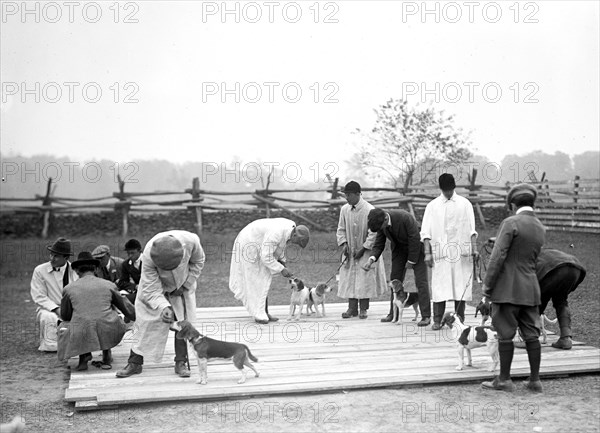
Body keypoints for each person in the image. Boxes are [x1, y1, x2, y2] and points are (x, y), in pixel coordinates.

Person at [481, 183, 546, 392]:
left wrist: (487, 287)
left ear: (512, 203)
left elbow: (497, 256)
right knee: (531, 334)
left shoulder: (510, 222)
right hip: (531, 289)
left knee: (505, 334)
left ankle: (504, 379)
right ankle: (535, 380)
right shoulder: (540, 226)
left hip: (507, 289)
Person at [116, 230, 205, 378]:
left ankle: (180, 361)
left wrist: (185, 285)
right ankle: (135, 362)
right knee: (143, 323)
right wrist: (164, 306)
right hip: (155, 288)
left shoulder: (192, 242)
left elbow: (199, 262)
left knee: (182, 324)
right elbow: (151, 289)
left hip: (182, 286)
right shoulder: (149, 256)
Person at [57, 251, 136, 371]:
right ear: (95, 269)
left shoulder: (68, 289)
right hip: (108, 329)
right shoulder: (108, 285)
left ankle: (83, 356)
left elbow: (65, 315)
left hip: (82, 331)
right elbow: (126, 307)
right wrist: (136, 317)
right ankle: (106, 354)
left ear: (77, 271)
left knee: (75, 322)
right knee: (109, 316)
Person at [420, 173, 478, 330]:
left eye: (450, 190)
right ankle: (438, 320)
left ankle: (459, 320)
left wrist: (474, 248)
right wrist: (427, 253)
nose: (448, 193)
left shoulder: (465, 204)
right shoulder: (432, 206)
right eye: (445, 190)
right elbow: (426, 233)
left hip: (461, 252)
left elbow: (472, 229)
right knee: (440, 286)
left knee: (460, 286)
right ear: (441, 189)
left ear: (454, 187)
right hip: (441, 252)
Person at [229, 219, 310, 324]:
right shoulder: (276, 234)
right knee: (257, 280)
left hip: (260, 245)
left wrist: (282, 261)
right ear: (294, 235)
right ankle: (258, 314)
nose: (295, 244)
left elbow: (280, 246)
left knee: (265, 280)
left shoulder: (291, 228)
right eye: (297, 242)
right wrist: (281, 269)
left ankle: (264, 312)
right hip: (248, 243)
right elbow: (266, 257)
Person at [364, 208, 432, 326]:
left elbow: (414, 239)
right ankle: (393, 313)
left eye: (382, 227)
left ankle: (426, 316)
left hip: (417, 249)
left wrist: (411, 260)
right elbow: (379, 244)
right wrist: (371, 259)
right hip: (399, 251)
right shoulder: (380, 222)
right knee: (394, 279)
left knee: (421, 282)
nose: (382, 230)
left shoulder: (405, 217)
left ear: (386, 218)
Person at [336, 181, 387, 319]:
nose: (346, 197)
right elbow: (341, 229)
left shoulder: (370, 209)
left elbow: (374, 233)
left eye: (349, 195)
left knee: (364, 278)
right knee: (350, 277)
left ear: (358, 194)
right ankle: (352, 308)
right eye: (345, 195)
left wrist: (364, 248)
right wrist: (344, 244)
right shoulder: (344, 209)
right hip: (350, 249)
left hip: (366, 250)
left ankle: (363, 308)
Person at [30, 237, 78, 351]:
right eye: (51, 254)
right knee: (48, 317)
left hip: (72, 308)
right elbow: (39, 296)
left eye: (56, 256)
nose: (52, 258)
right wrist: (56, 309)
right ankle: (52, 346)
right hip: (49, 308)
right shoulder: (40, 270)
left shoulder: (75, 271)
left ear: (66, 258)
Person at [536, 248, 586, 349]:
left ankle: (530, 337)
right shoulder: (546, 252)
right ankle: (566, 338)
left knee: (537, 300)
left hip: (554, 269)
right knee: (561, 300)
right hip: (576, 269)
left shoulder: (528, 258)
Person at [117, 238, 143, 304]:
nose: (130, 256)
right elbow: (122, 282)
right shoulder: (126, 264)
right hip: (136, 291)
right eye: (128, 253)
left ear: (139, 251)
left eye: (132, 253)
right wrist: (134, 286)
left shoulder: (147, 261)